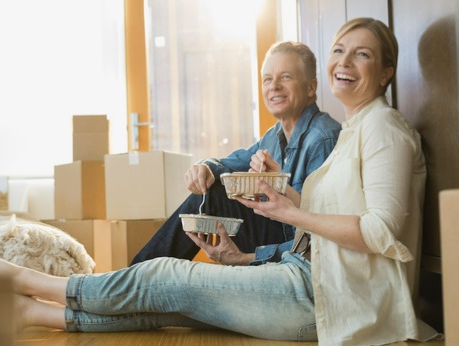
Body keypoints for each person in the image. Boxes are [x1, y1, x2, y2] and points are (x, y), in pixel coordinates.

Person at [0, 18, 439, 346]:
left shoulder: (382, 130)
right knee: (179, 301)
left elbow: (380, 232)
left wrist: (289, 211)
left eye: (363, 55)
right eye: (340, 50)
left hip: (329, 299)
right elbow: (318, 228)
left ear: (386, 71)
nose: (346, 62)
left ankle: (33, 281)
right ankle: (33, 313)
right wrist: (247, 247)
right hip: (315, 281)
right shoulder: (356, 129)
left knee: (163, 277)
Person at [130, 41, 341, 266]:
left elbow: (319, 237)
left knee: (212, 194)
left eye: (286, 77)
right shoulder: (274, 136)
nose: (274, 86)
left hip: (297, 248)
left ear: (311, 87)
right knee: (210, 183)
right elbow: (230, 164)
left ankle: (135, 277)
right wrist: (206, 167)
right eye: (267, 79)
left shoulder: (323, 138)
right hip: (280, 236)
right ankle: (138, 276)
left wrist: (248, 258)